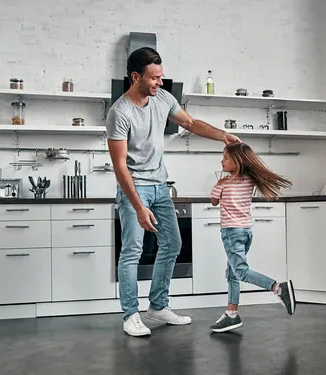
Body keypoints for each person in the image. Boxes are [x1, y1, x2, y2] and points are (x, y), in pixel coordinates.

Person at [106, 47, 241, 337]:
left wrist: (223, 135)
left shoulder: (164, 98)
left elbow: (190, 123)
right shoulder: (119, 112)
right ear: (135, 76)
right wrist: (139, 207)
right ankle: (130, 315)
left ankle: (158, 306)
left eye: (161, 77)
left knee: (172, 244)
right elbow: (119, 166)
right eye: (154, 78)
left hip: (160, 186)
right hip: (135, 188)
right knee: (132, 250)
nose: (159, 83)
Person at [209, 142, 296, 333]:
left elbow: (214, 201)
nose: (222, 161)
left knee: (240, 272)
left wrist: (219, 184)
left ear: (236, 161)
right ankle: (231, 314)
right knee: (232, 273)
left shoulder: (225, 182)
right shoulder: (249, 180)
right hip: (246, 231)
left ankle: (277, 288)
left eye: (225, 158)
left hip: (231, 232)